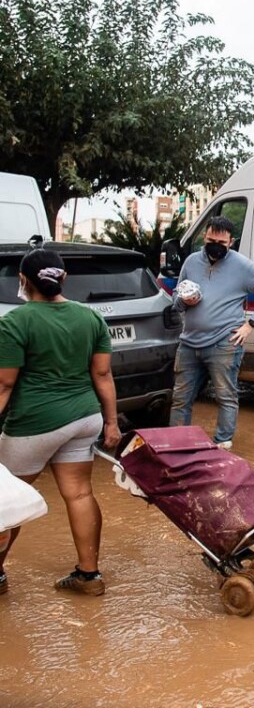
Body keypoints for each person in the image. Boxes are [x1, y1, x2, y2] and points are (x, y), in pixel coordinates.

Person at [0, 248, 122, 596]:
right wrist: (111, 423)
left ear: (23, 280)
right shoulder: (91, 318)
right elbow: (103, 375)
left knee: (7, 499)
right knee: (80, 493)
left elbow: (4, 384)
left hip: (34, 423)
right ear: (63, 278)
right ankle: (89, 575)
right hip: (85, 418)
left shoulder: (14, 322)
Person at [170, 216, 254, 450]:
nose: (215, 246)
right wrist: (183, 300)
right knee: (180, 398)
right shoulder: (191, 262)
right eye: (211, 241)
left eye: (221, 242)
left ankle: (222, 445)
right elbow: (176, 299)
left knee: (225, 397)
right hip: (189, 342)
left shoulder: (243, 266)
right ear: (204, 237)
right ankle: (178, 446)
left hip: (224, 343)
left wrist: (250, 325)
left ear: (231, 242)